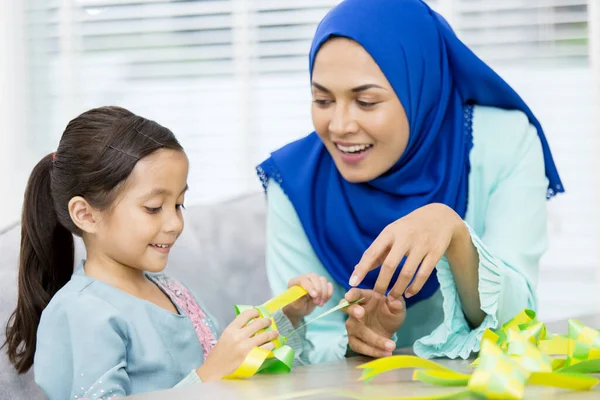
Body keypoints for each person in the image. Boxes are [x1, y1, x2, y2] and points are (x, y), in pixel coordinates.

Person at [257, 0, 563, 363]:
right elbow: (310, 351)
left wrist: (455, 236)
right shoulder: (294, 182)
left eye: (366, 102)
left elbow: (518, 322)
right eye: (322, 99)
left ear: (420, 85)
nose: (338, 126)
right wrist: (357, 343)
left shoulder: (504, 142)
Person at [3, 106, 334, 399]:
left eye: (179, 204)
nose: (175, 223)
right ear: (86, 214)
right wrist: (209, 376)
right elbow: (213, 373)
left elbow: (237, 377)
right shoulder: (80, 313)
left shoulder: (171, 290)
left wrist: (287, 317)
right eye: (153, 207)